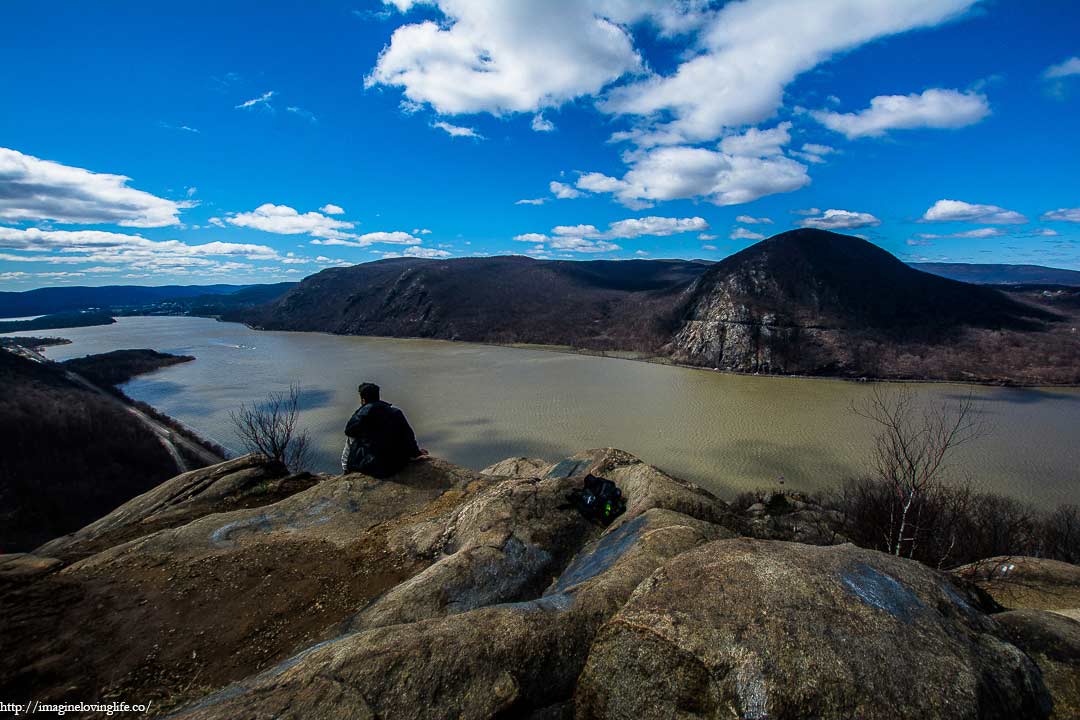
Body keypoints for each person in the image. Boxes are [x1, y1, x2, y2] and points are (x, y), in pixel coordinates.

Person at [341, 382, 427, 477]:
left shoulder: (361, 417)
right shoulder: (396, 413)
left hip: (371, 466)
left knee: (352, 437)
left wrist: (360, 411)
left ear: (363, 400)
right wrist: (416, 453)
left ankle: (346, 468)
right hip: (398, 464)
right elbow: (408, 437)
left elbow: (348, 431)